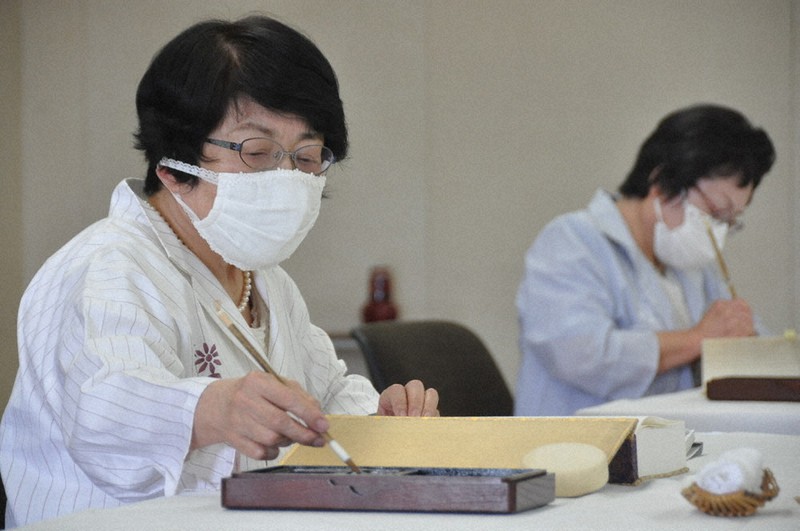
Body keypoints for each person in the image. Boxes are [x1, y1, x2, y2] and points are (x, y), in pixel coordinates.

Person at [0, 15, 439, 527]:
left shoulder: (263, 277)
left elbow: (323, 394)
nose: (287, 178)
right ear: (174, 167)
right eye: (257, 152)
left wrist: (379, 424)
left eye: (307, 155)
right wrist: (207, 410)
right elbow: (103, 419)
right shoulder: (106, 267)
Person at [514, 104, 775, 417]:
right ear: (663, 182)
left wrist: (750, 342)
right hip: (577, 451)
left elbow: (745, 338)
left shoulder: (692, 261)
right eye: (716, 213)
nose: (718, 232)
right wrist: (697, 340)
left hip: (673, 447)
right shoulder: (571, 241)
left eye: (731, 221)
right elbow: (581, 354)